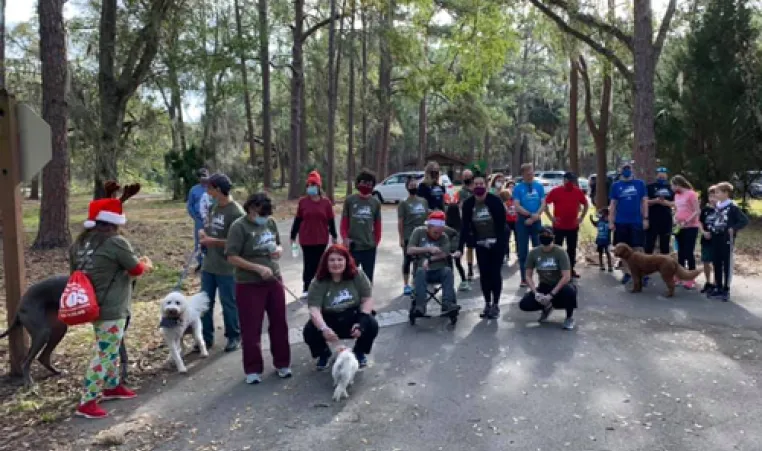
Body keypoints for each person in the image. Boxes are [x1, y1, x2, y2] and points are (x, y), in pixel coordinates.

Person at [72, 197, 153, 418]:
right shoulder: (116, 242)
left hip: (91, 304)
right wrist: (146, 264)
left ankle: (111, 385)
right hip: (112, 306)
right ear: (113, 222)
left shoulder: (80, 243)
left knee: (110, 347)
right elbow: (135, 269)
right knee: (104, 353)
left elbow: (77, 271)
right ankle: (87, 401)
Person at [226, 193, 291, 384]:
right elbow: (231, 256)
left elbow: (277, 244)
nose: (264, 217)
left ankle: (282, 363)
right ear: (251, 209)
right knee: (251, 327)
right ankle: (253, 369)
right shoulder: (239, 227)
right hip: (249, 284)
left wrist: (278, 251)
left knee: (279, 322)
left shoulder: (269, 223)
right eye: (261, 213)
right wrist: (256, 267)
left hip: (273, 279)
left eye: (267, 213)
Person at [302, 245, 379, 370]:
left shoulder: (357, 275)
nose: (336, 263)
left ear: (346, 261)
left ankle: (359, 352)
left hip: (352, 315)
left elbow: (367, 299)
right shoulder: (318, 281)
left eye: (340, 259)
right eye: (332, 260)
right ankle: (324, 353)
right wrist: (324, 328)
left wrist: (361, 323)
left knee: (371, 324)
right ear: (326, 263)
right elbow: (314, 309)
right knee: (309, 331)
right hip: (329, 317)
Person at [198, 173, 244, 352]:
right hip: (209, 265)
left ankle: (234, 336)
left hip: (227, 268)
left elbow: (238, 243)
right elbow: (210, 228)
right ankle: (205, 338)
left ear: (218, 189)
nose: (207, 192)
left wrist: (213, 242)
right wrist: (203, 233)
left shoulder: (236, 212)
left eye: (209, 188)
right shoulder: (213, 207)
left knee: (228, 303)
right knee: (205, 303)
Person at [459, 172, 507, 319]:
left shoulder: (495, 201)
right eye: (476, 184)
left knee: (495, 273)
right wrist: (460, 248)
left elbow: (502, 224)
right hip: (480, 243)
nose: (479, 186)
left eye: (481, 184)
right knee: (484, 274)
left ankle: (496, 304)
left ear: (486, 185)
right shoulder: (468, 204)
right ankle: (487, 303)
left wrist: (499, 244)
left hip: (496, 242)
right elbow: (465, 227)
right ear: (472, 186)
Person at [519, 227, 578, 330]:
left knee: (570, 292)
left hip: (560, 286)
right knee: (524, 304)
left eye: (548, 235)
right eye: (542, 236)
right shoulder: (534, 253)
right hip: (544, 285)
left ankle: (569, 317)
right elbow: (528, 275)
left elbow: (566, 276)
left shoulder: (560, 252)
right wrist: (535, 293)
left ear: (553, 237)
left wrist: (551, 295)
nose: (545, 238)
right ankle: (546, 306)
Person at [290, 170, 337, 297]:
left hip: (321, 238)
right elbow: (298, 219)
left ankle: (320, 288)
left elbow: (331, 220)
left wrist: (334, 235)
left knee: (320, 263)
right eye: (309, 185)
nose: (311, 187)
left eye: (313, 185)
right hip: (306, 238)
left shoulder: (326, 202)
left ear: (318, 186)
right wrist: (292, 236)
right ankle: (306, 287)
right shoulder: (303, 202)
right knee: (308, 264)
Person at [407, 211, 461, 318]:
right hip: (423, 271)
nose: (438, 235)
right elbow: (410, 250)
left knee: (448, 271)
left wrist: (429, 259)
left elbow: (445, 253)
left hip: (439, 271)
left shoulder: (444, 236)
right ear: (428, 227)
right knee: (421, 270)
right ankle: (420, 306)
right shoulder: (418, 232)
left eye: (440, 232)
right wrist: (429, 249)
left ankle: (447, 305)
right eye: (435, 233)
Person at [705, 182, 749, 302]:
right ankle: (718, 287)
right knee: (716, 262)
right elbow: (712, 219)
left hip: (726, 239)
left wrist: (733, 228)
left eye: (718, 192)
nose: (716, 194)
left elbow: (744, 220)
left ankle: (726, 289)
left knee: (726, 264)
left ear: (726, 193)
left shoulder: (732, 207)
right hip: (716, 237)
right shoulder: (717, 206)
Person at [609, 162, 648, 285]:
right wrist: (611, 221)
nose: (627, 170)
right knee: (623, 249)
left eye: (628, 168)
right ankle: (627, 273)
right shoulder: (616, 185)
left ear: (632, 170)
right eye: (624, 168)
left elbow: (644, 201)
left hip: (636, 221)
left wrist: (646, 218)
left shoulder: (639, 184)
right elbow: (613, 204)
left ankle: (643, 273)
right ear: (621, 170)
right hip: (621, 222)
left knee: (638, 248)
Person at [544, 172, 588, 278]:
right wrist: (551, 218)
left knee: (571, 249)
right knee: (557, 248)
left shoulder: (577, 192)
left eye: (572, 181)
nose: (571, 183)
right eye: (569, 180)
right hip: (559, 226)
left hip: (572, 226)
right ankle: (557, 270)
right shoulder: (556, 191)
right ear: (564, 180)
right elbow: (545, 204)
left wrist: (581, 217)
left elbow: (585, 204)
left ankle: (570, 270)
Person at [341, 169, 383, 282]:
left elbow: (378, 225)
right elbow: (344, 222)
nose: (366, 185)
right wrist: (345, 238)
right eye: (364, 182)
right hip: (352, 246)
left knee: (367, 279)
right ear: (358, 183)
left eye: (369, 183)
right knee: (349, 277)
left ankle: (366, 299)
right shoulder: (350, 200)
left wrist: (375, 242)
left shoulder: (375, 203)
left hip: (369, 247)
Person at [512, 163, 546, 287]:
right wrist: (529, 215)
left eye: (532, 173)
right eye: (528, 173)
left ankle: (542, 277)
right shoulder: (518, 188)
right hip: (522, 222)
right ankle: (524, 278)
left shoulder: (539, 186)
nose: (530, 175)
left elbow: (543, 203)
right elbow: (517, 205)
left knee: (539, 249)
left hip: (536, 221)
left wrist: (536, 215)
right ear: (523, 174)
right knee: (523, 251)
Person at [398, 175, 430, 295]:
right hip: (408, 236)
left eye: (415, 185)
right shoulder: (403, 203)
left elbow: (427, 217)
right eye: (411, 185)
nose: (413, 187)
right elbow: (400, 221)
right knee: (407, 260)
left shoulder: (423, 201)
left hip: (422, 236)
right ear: (407, 187)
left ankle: (416, 282)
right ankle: (406, 285)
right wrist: (401, 238)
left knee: (421, 260)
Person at [671, 175, 701, 289]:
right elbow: (677, 209)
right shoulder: (676, 195)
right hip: (679, 227)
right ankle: (680, 275)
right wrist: (675, 218)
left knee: (689, 252)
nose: (672, 188)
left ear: (678, 184)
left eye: (672, 185)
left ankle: (690, 278)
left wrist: (687, 221)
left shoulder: (691, 194)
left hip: (691, 227)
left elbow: (697, 210)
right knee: (681, 253)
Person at [645, 167, 675, 255]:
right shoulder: (650, 187)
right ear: (656, 175)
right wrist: (656, 201)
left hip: (666, 219)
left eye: (664, 174)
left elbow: (675, 203)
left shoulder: (671, 188)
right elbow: (645, 202)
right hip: (652, 219)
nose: (662, 175)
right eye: (660, 174)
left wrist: (666, 203)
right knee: (649, 245)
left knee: (665, 245)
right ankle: (648, 265)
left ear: (667, 175)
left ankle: (664, 265)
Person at [187, 168, 211, 272]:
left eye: (205, 176)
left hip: (211, 219)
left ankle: (210, 262)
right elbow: (190, 205)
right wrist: (195, 217)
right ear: (198, 178)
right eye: (202, 177)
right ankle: (201, 263)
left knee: (211, 240)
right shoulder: (194, 189)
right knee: (199, 241)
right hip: (199, 219)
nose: (204, 179)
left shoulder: (212, 188)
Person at [445, 204, 469, 291]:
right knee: (458, 264)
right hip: (458, 247)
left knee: (449, 266)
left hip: (448, 247)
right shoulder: (460, 223)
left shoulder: (446, 224)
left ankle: (449, 284)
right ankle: (464, 281)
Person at [698, 186, 718, 293]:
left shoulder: (721, 210)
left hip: (717, 241)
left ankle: (716, 283)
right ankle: (708, 282)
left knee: (716, 262)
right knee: (706, 261)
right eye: (710, 196)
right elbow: (700, 222)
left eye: (714, 196)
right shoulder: (705, 210)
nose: (712, 198)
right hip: (706, 239)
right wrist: (703, 232)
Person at [457, 169, 476, 281]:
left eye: (469, 176)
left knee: (474, 247)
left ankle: (473, 267)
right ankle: (468, 269)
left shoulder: (476, 190)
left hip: (476, 221)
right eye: (465, 176)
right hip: (465, 221)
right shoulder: (461, 192)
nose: (467, 178)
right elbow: (460, 205)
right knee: (467, 247)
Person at [504, 180, 518, 263]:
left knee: (518, 238)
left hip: (516, 221)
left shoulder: (517, 197)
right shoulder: (505, 198)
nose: (511, 188)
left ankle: (518, 253)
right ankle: (506, 254)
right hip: (507, 221)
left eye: (513, 186)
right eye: (510, 186)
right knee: (506, 238)